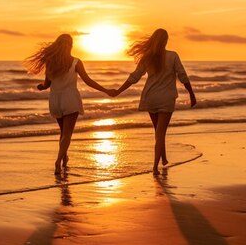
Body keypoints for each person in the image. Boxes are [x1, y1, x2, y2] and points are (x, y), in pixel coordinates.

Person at [25, 34, 113, 175]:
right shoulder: (76, 62)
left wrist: (41, 87)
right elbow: (88, 81)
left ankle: (64, 157)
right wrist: (106, 90)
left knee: (63, 133)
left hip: (55, 100)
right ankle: (58, 161)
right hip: (70, 99)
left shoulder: (51, 62)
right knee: (67, 134)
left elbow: (47, 84)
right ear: (70, 45)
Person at [114, 28, 196, 174]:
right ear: (165, 41)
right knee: (160, 133)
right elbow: (182, 75)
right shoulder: (172, 56)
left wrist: (118, 91)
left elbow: (135, 77)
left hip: (150, 97)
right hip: (166, 98)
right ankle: (155, 167)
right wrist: (192, 94)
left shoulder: (148, 57)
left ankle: (163, 159)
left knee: (158, 132)